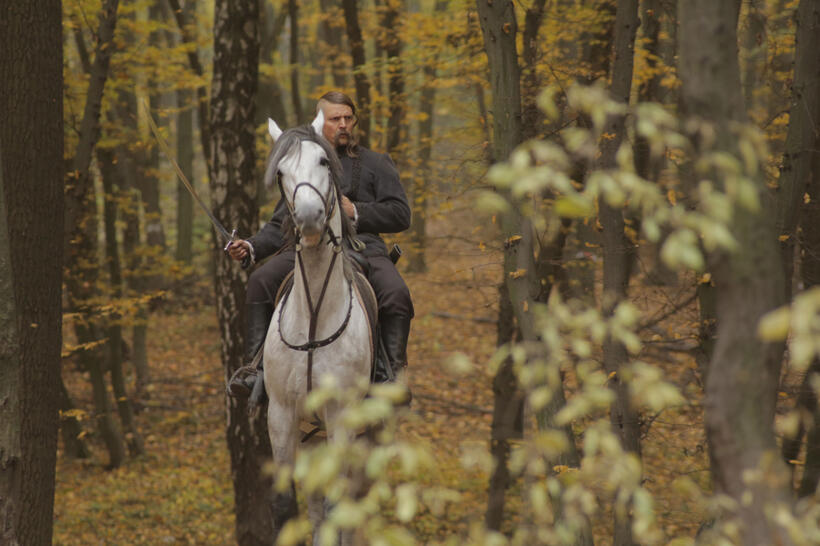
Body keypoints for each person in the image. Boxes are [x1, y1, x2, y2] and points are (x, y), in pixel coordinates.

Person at [227, 90, 414, 399]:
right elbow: (280, 222)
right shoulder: (302, 162)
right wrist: (251, 246)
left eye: (348, 118)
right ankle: (256, 371)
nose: (343, 125)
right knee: (260, 281)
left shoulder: (376, 163)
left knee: (397, 294)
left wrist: (357, 211)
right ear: (319, 124)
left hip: (362, 249)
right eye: (335, 119)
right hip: (305, 248)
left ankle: (389, 376)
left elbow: (400, 214)